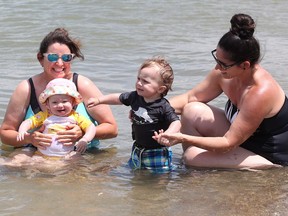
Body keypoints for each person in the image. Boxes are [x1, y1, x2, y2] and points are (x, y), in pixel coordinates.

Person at [154, 13, 288, 169]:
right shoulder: (225, 73)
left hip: (270, 154)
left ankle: (270, 170)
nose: (217, 68)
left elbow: (228, 142)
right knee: (191, 110)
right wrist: (150, 108)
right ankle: (199, 172)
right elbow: (192, 97)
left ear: (244, 65)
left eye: (223, 64)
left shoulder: (260, 92)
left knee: (191, 157)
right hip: (243, 139)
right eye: (216, 59)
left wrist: (183, 138)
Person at [0, 28, 117, 154]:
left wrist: (81, 133)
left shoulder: (82, 84)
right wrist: (30, 138)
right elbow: (6, 134)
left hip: (80, 156)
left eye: (67, 57)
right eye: (53, 57)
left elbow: (112, 128)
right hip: (35, 154)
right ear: (40, 58)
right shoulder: (27, 88)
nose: (60, 63)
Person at [87, 56, 181, 172]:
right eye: (138, 79)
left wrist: (168, 134)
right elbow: (118, 98)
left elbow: (176, 122)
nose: (139, 83)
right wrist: (99, 100)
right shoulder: (135, 97)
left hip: (157, 151)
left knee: (159, 179)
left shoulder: (163, 106)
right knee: (136, 172)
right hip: (137, 147)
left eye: (145, 81)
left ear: (161, 89)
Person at [17, 78, 96, 157]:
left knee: (76, 159)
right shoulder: (45, 115)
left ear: (73, 103)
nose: (60, 105)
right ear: (47, 104)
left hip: (67, 155)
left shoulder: (76, 116)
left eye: (64, 101)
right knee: (20, 160)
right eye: (54, 102)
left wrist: (85, 139)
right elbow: (29, 122)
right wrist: (23, 131)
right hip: (42, 153)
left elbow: (91, 127)